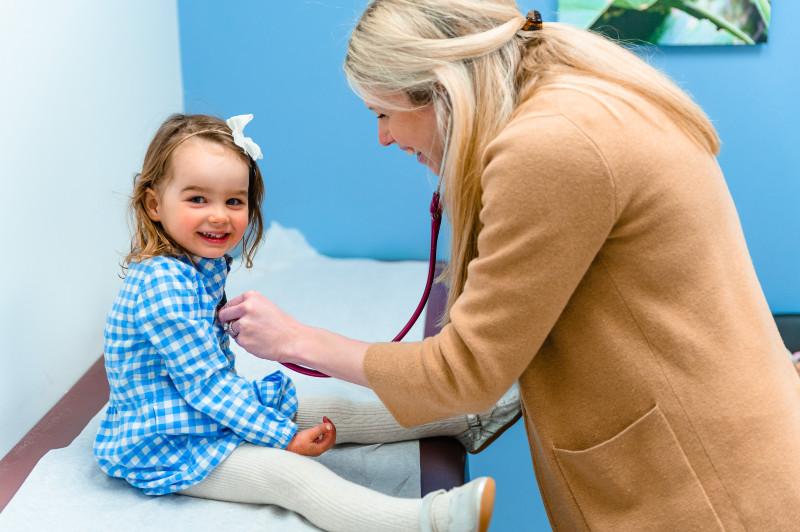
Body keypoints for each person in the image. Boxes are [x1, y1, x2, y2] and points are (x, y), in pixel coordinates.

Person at [218, 2, 800, 530]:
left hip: (704, 491)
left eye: (382, 113)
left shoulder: (550, 147)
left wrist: (295, 340)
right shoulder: (577, 94)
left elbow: (465, 374)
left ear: (436, 88)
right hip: (733, 444)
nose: (384, 138)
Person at [93, 112, 507, 532]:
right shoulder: (164, 286)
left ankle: (470, 419)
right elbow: (206, 386)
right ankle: (429, 521)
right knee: (290, 477)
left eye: (234, 201)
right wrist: (281, 437)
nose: (220, 215)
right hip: (168, 440)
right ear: (153, 204)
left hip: (201, 413)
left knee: (334, 409)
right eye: (198, 199)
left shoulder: (195, 267)